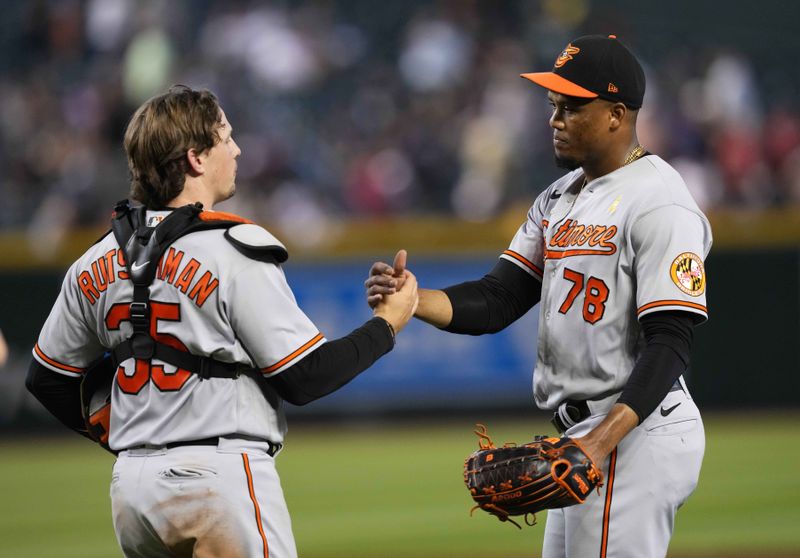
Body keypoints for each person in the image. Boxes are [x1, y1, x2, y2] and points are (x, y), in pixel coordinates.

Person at [26, 84, 418, 558]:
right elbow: (306, 376)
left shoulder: (94, 259)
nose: (237, 149)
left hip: (131, 489)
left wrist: (114, 428)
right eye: (226, 137)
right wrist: (387, 325)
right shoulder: (234, 247)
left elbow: (48, 379)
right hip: (219, 477)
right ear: (195, 159)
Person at [366, 35, 710, 558]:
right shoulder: (558, 196)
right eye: (554, 105)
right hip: (581, 438)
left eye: (572, 107)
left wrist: (600, 443)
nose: (556, 119)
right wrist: (415, 299)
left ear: (617, 114)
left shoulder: (661, 201)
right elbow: (500, 297)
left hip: (633, 432)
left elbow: (671, 341)